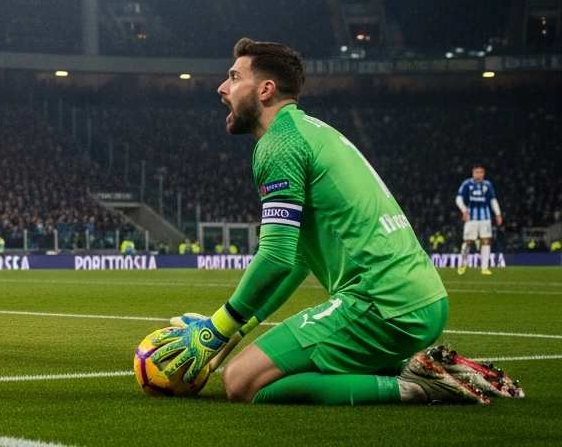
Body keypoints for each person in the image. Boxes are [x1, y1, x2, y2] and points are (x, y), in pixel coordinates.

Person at [149, 38, 522, 406]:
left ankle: (416, 388)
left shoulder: (278, 144)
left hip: (380, 302)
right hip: (421, 297)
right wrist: (237, 330)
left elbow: (276, 257)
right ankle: (418, 368)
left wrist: (216, 329)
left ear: (265, 90)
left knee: (241, 382)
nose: (222, 87)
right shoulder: (313, 131)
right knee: (278, 371)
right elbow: (295, 259)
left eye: (234, 77)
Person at [455, 165, 503, 275]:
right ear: (473, 173)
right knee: (468, 242)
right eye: (477, 172)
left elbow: (493, 200)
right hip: (471, 218)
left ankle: (484, 268)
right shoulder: (467, 184)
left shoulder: (488, 185)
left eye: (481, 172)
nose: (479, 174)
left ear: (484, 173)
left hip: (485, 218)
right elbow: (458, 198)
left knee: (486, 241)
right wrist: (464, 210)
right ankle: (463, 263)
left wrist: (498, 214)